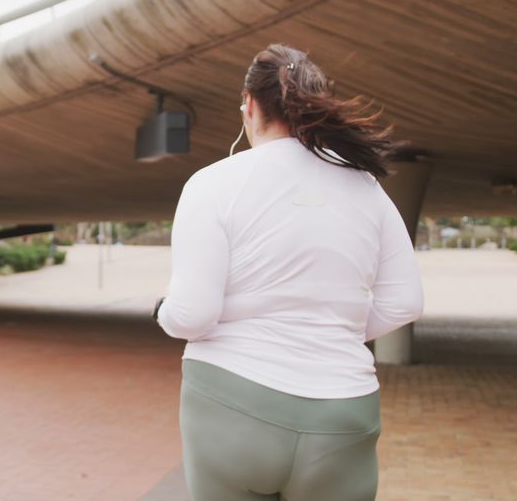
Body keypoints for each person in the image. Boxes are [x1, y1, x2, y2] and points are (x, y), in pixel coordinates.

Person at [153, 43, 424, 500]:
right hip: (343, 406)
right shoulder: (365, 185)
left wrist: (162, 312)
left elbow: (193, 315)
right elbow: (406, 302)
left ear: (251, 105)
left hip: (229, 399)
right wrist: (329, 327)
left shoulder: (212, 183)